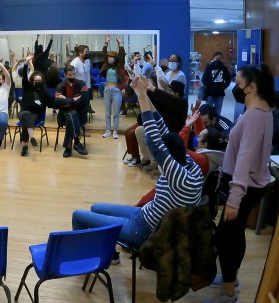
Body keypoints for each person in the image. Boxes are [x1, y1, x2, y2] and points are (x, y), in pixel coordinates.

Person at [72, 75, 204, 253]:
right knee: (96, 208)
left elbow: (155, 140)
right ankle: (108, 253)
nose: (156, 159)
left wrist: (141, 95)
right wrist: (144, 94)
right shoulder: (188, 164)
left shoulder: (179, 177)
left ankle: (86, 259)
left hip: (141, 230)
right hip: (145, 214)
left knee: (79, 216)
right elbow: (161, 128)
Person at [202, 64, 275, 303]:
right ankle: (231, 280)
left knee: (226, 240)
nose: (234, 86)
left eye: (238, 82)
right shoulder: (261, 112)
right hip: (251, 185)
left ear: (251, 87)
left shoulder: (255, 117)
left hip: (244, 188)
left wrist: (234, 198)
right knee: (233, 236)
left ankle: (228, 294)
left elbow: (245, 159)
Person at [18, 59, 52, 156]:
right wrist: (26, 64)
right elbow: (24, 76)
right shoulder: (27, 88)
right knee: (27, 115)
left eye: (39, 81)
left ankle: (25, 146)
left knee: (26, 121)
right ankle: (32, 137)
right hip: (24, 112)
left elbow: (51, 103)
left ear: (42, 81)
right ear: (32, 81)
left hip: (36, 116)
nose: (38, 82)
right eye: (36, 81)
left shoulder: (45, 93)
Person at [55, 65, 90, 158]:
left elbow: (85, 100)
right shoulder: (60, 86)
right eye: (70, 75)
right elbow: (57, 103)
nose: (72, 76)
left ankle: (68, 147)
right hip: (63, 114)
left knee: (72, 116)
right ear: (65, 75)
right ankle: (77, 142)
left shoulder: (81, 84)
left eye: (73, 74)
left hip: (79, 113)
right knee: (71, 115)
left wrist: (66, 101)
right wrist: (73, 100)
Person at [100, 35, 130, 139]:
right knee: (107, 112)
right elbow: (103, 54)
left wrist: (120, 43)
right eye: (109, 57)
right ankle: (108, 130)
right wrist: (106, 42)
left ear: (115, 59)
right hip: (107, 90)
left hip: (117, 91)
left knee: (116, 113)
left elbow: (121, 55)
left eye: (112, 57)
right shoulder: (106, 66)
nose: (109, 58)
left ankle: (115, 131)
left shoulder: (119, 66)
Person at [201, 52, 231, 116]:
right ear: (213, 58)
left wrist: (223, 87)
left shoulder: (224, 68)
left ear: (222, 59)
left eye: (219, 58)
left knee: (218, 112)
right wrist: (209, 86)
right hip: (210, 93)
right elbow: (204, 79)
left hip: (220, 93)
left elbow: (228, 79)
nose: (218, 60)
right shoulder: (209, 67)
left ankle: (216, 123)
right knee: (208, 111)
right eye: (216, 58)